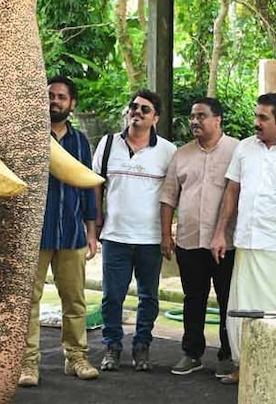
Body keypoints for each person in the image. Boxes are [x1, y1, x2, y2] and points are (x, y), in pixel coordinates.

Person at [211, 93, 276, 385]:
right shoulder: (244, 149)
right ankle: (245, 366)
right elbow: (232, 192)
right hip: (246, 242)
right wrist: (220, 233)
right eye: (256, 116)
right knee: (241, 308)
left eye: (263, 118)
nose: (256, 123)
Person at [18, 76, 100, 387]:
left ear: (71, 104)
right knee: (30, 301)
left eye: (61, 97)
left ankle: (76, 357)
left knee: (75, 301)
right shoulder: (29, 139)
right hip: (35, 234)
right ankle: (27, 364)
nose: (55, 101)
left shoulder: (80, 142)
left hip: (72, 236)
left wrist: (92, 232)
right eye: (50, 95)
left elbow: (88, 187)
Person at [93, 89, 177, 372]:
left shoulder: (167, 151)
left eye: (145, 109)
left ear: (156, 118)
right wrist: (96, 223)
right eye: (133, 107)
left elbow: (171, 195)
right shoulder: (107, 145)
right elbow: (96, 184)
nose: (137, 112)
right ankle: (112, 347)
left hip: (150, 239)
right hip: (115, 236)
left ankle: (142, 347)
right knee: (112, 297)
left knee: (148, 297)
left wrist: (167, 235)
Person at [159, 97, 240, 377]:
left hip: (226, 243)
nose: (195, 121)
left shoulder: (237, 151)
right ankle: (191, 353)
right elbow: (169, 197)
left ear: (218, 119)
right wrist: (165, 235)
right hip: (189, 239)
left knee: (229, 299)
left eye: (201, 116)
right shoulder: (181, 154)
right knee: (193, 298)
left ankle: (228, 355)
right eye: (192, 116)